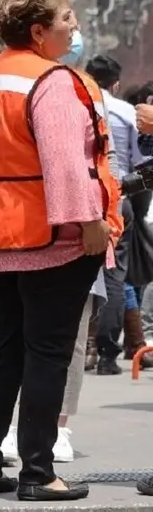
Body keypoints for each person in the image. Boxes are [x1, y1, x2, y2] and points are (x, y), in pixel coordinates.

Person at [0, 0, 121, 502]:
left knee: (2, 352)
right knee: (48, 354)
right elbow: (65, 163)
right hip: (51, 237)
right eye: (67, 18)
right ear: (38, 30)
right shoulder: (49, 81)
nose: (74, 27)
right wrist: (91, 222)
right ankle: (37, 472)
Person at [84, 54, 151, 374]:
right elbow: (143, 159)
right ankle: (108, 352)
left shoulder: (76, 105)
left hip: (80, 198)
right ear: (115, 83)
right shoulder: (127, 112)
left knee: (77, 275)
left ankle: (84, 347)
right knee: (114, 275)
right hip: (117, 194)